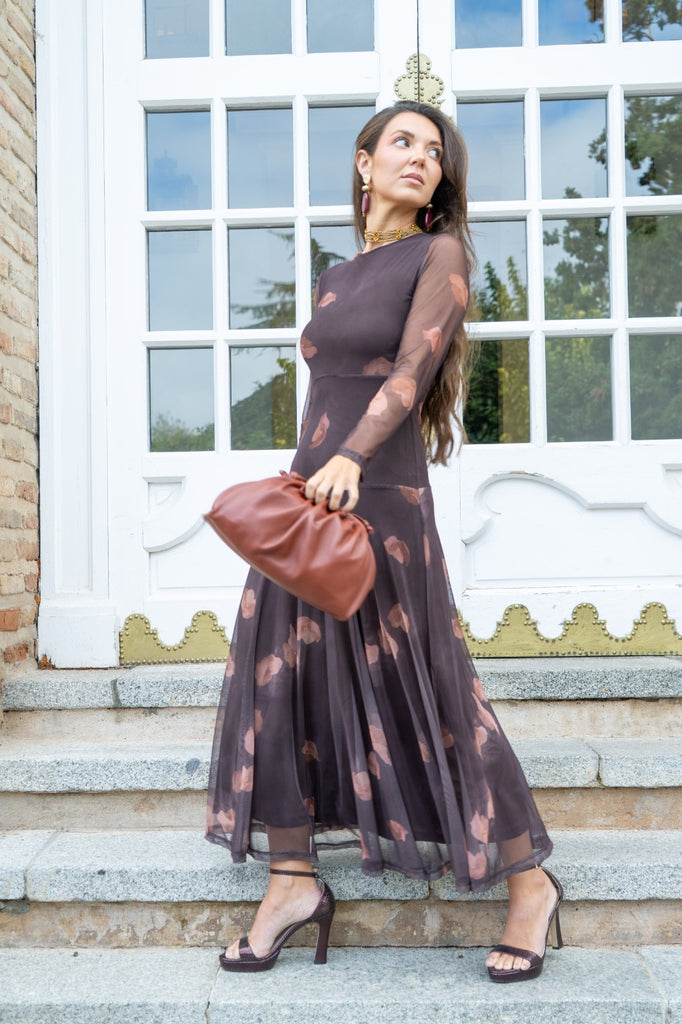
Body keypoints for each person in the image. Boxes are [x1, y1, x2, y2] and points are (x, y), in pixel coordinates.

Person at [205, 101, 563, 983]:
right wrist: (307, 477)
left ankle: (531, 886)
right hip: (311, 500)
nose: (420, 157)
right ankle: (292, 882)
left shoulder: (440, 256)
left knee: (432, 689)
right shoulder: (336, 274)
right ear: (364, 164)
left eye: (434, 151)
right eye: (402, 142)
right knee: (280, 683)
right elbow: (326, 387)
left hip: (381, 502)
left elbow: (411, 371)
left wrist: (353, 457)